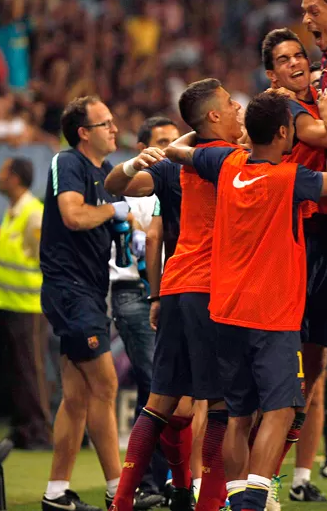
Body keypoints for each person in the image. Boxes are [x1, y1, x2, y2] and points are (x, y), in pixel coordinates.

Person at [157, 88, 327, 511]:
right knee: (282, 410)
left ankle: (236, 499)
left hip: (227, 311)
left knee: (237, 415)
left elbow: (176, 149)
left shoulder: (226, 163)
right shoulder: (291, 178)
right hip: (272, 313)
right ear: (286, 133)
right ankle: (254, 500)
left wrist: (201, 131)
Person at [104, 79, 245, 511]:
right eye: (229, 103)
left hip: (176, 284)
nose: (239, 106)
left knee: (160, 402)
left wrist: (143, 159)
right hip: (211, 291)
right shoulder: (231, 159)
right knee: (219, 403)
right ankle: (211, 502)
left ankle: (123, 500)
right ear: (214, 117)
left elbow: (115, 185)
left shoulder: (173, 166)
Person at [261, 27, 327, 505]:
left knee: (315, 370)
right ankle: (263, 478)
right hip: (294, 236)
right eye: (283, 58)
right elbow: (319, 133)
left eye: (299, 54)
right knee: (285, 373)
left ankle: (297, 475)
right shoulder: (281, 107)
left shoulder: (319, 97)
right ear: (271, 73)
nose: (295, 63)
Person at [40, 96, 128, 511]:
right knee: (106, 384)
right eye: (105, 123)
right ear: (83, 133)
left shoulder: (106, 172)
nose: (113, 128)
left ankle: (56, 494)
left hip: (89, 291)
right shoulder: (68, 163)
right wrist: (115, 209)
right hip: (70, 291)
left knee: (76, 397)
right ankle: (118, 491)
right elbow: (73, 216)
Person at [109, 116, 181, 508]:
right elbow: (149, 241)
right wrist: (156, 295)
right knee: (161, 387)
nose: (172, 148)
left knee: (162, 389)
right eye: (163, 142)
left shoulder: (173, 180)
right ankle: (159, 482)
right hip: (140, 293)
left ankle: (160, 480)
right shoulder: (133, 191)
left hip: (167, 293)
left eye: (175, 140)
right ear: (142, 149)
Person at [0, 157, 53, 451]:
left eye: (2, 171)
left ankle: (40, 432)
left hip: (31, 306)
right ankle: (25, 428)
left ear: (14, 178)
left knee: (32, 371)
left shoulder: (32, 214)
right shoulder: (15, 211)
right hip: (12, 304)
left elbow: (44, 258)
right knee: (19, 370)